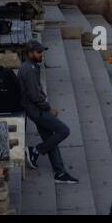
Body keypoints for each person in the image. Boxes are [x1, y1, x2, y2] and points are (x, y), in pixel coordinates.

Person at [19, 40, 79, 184]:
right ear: (30, 53)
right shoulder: (29, 69)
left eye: (42, 52)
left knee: (50, 140)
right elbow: (34, 95)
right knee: (63, 131)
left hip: (36, 109)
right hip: (37, 111)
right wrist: (48, 108)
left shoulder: (32, 67)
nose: (41, 55)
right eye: (39, 52)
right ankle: (36, 150)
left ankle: (59, 172)